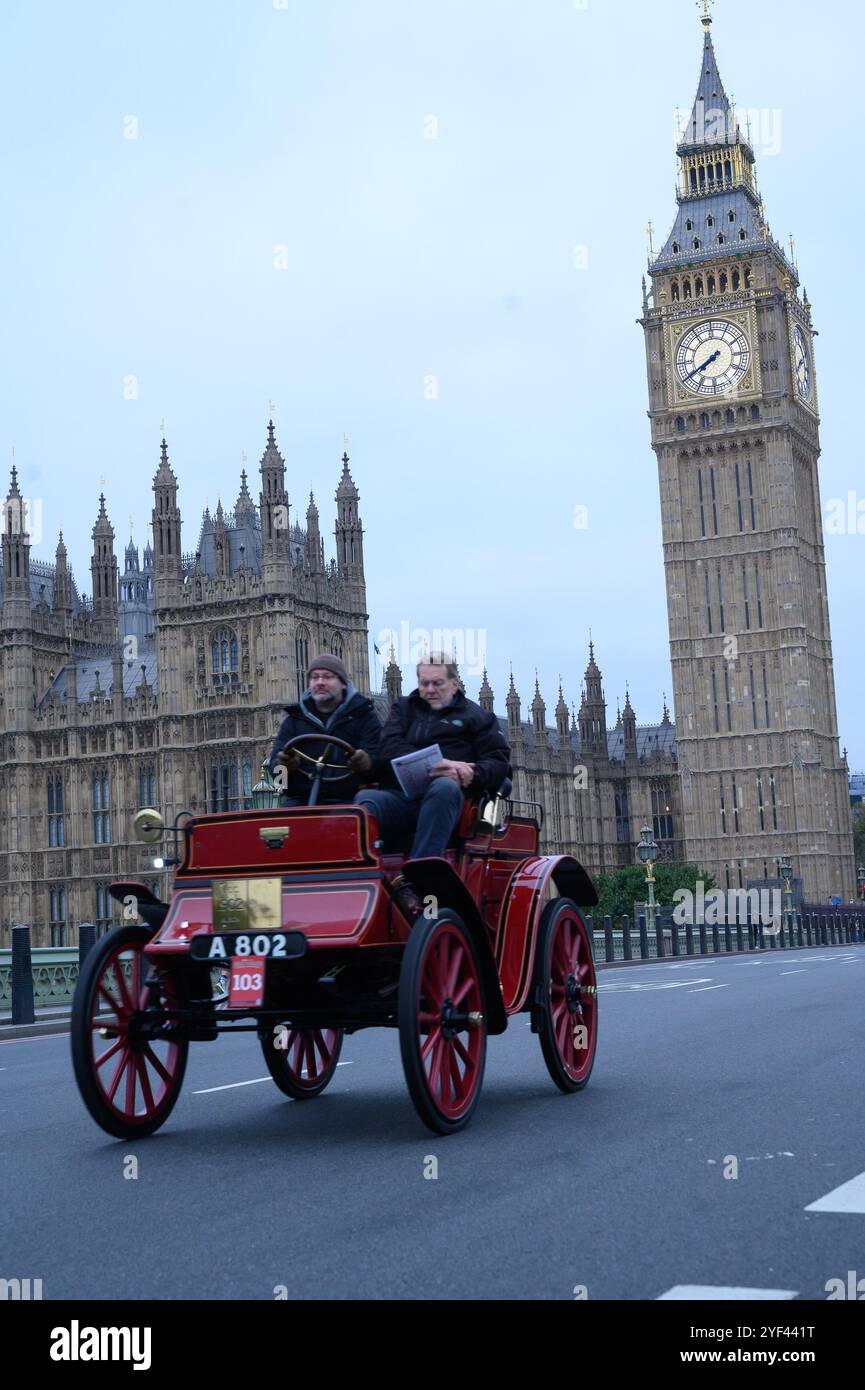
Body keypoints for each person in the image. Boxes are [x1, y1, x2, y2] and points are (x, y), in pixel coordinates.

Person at [354, 653, 511, 917]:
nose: (429, 689)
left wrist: (469, 772)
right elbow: (387, 746)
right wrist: (425, 763)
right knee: (365, 802)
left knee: (444, 787)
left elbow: (499, 765)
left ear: (455, 684)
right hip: (403, 798)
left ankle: (417, 880)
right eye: (424, 683)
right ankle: (363, 880)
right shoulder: (403, 710)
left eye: (437, 683)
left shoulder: (478, 717)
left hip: (451, 805)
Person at [267, 655, 382, 805]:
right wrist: (283, 766)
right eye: (315, 677)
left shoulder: (364, 716)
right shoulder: (293, 721)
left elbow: (383, 768)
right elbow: (279, 781)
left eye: (327, 677)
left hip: (350, 800)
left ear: (343, 683)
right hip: (303, 801)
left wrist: (367, 763)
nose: (320, 682)